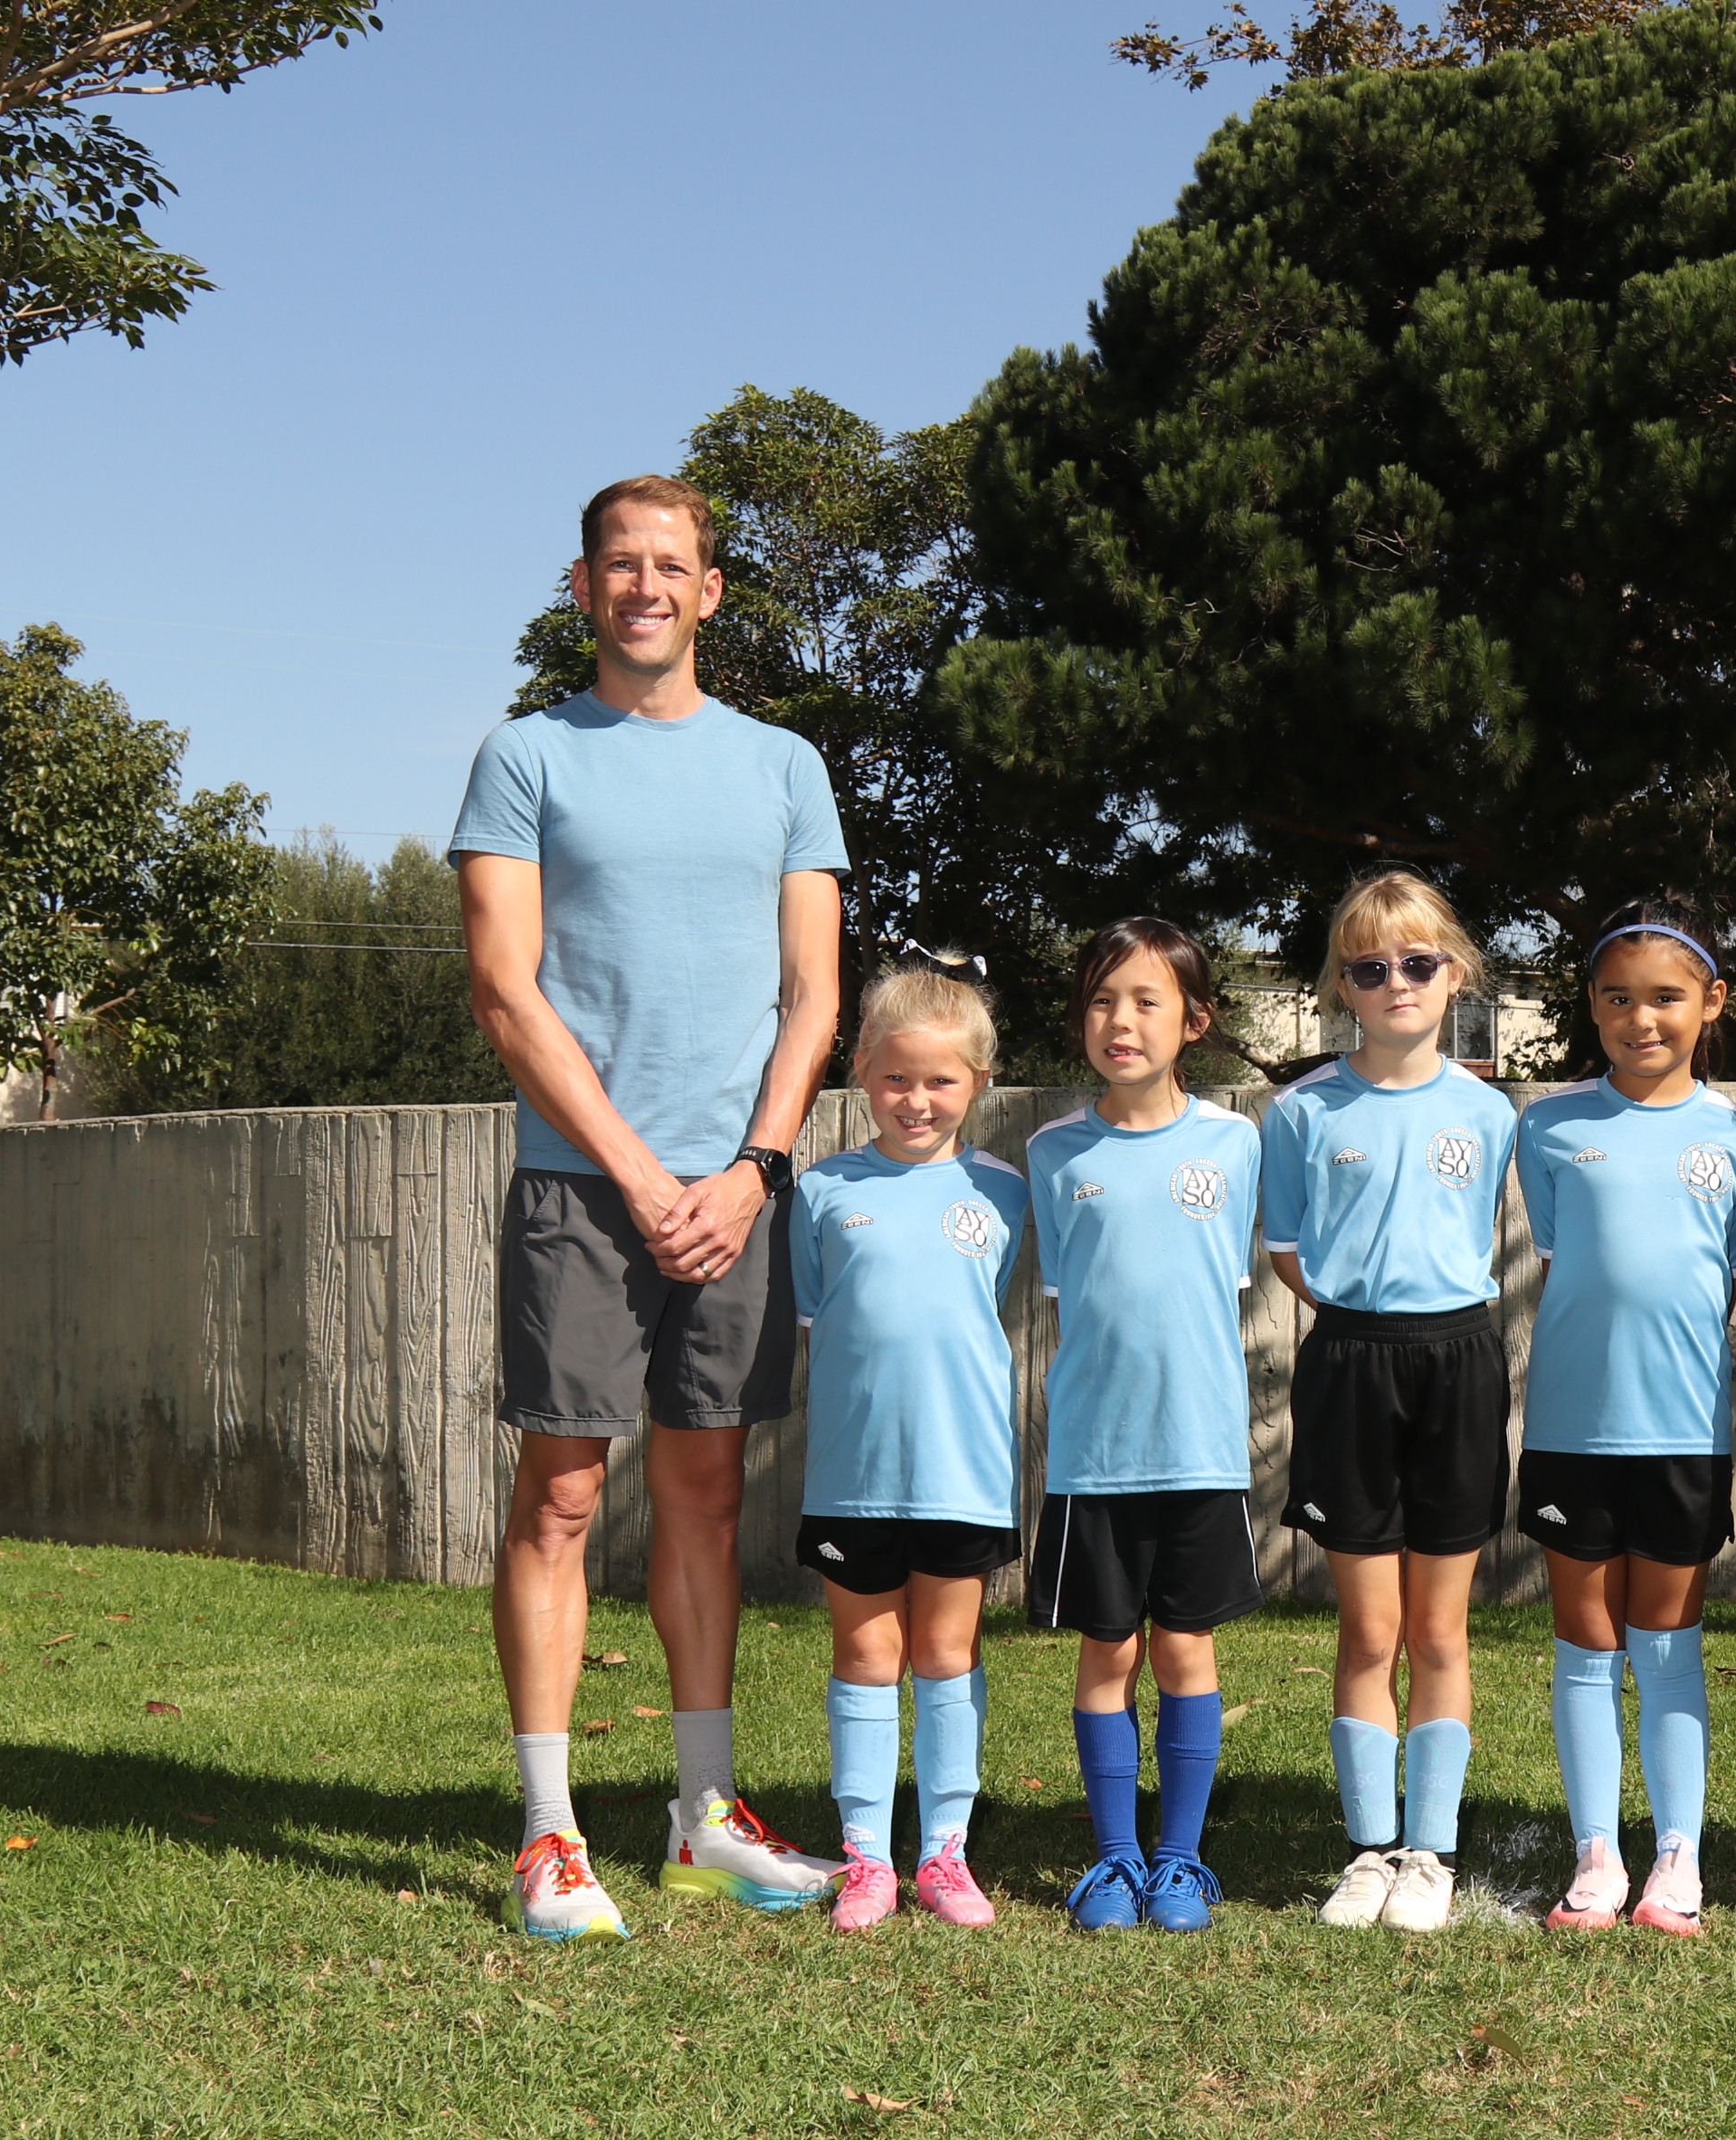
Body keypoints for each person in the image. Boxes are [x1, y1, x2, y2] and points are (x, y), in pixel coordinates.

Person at [454, 473, 847, 1943]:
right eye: (619, 564)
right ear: (582, 587)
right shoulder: (524, 756)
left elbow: (813, 996)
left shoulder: (784, 768)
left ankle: (702, 1817)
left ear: (709, 591)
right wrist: (636, 1171)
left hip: (735, 1196)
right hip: (583, 1186)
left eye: (670, 565)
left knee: (706, 1494)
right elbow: (506, 992)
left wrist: (751, 1172)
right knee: (561, 1495)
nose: (644, 586)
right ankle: (549, 1833)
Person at [1263, 870, 1522, 1936]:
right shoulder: (1301, 1111)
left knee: (1440, 1627)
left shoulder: (1489, 1112)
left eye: (1418, 962)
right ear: (1344, 987)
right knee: (1370, 1628)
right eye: (1370, 968)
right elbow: (1288, 1249)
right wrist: (1363, 1309)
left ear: (1454, 976)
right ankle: (1371, 1849)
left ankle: (1433, 1855)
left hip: (1459, 1359)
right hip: (1351, 1363)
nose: (1397, 982)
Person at [1513, 899, 1736, 1936]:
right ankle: (1595, 1854)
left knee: (1667, 1640)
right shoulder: (1549, 1127)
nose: (1641, 1018)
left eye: (1666, 996)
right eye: (1618, 998)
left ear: (1712, 1002)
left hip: (1681, 1433)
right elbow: (1564, 1267)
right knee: (1586, 1640)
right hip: (1570, 1429)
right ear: (1592, 1005)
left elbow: (1733, 1287)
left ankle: (1676, 1855)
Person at [1026, 919, 1263, 1936]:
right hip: (1095, 1456)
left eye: (1145, 1000)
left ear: (1194, 1021)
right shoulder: (1052, 1152)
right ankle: (1117, 1857)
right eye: (1100, 1000)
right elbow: (1069, 1299)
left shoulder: (1235, 1143)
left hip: (1199, 1449)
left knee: (1187, 1651)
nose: (1119, 1020)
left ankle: (1180, 1861)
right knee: (1106, 1651)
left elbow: (1221, 1287)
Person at [791, 960, 1026, 1934]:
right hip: (854, 1477)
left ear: (979, 1081)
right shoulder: (820, 1191)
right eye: (895, 1078)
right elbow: (818, 1322)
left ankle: (944, 1854)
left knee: (945, 1651)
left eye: (939, 1080)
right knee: (865, 1651)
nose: (915, 1099)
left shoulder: (1004, 1192)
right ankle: (866, 1857)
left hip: (963, 1473)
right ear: (861, 1071)